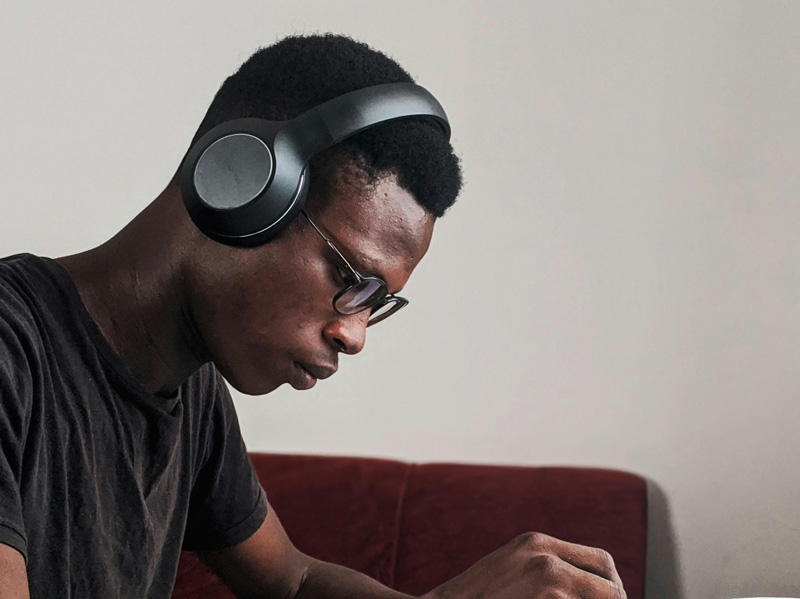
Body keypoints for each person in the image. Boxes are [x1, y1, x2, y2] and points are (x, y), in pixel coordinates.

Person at [0, 34, 626, 598]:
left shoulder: (193, 394)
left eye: (374, 304)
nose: (353, 336)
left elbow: (293, 584)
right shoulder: (12, 346)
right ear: (238, 187)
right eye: (350, 280)